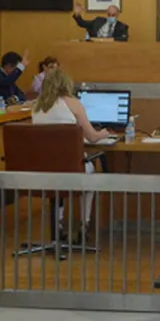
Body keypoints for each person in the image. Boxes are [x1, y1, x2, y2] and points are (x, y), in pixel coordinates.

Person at [32, 70, 112, 239]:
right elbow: (92, 137)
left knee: (56, 183)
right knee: (90, 175)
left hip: (41, 169)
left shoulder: (37, 107)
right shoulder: (73, 103)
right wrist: (104, 133)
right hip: (70, 168)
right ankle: (84, 226)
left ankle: (58, 225)